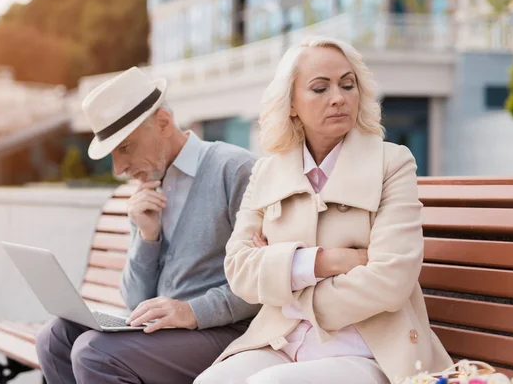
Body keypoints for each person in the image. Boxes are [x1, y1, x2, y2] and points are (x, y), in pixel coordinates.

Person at [195, 36, 452, 384]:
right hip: (282, 341)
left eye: (348, 85)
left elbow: (392, 279)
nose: (339, 98)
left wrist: (286, 284)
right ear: (291, 104)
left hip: (369, 350)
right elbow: (239, 270)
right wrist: (324, 261)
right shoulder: (267, 172)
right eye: (320, 88)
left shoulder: (392, 163)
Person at [35, 66, 262, 384]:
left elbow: (265, 281)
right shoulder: (149, 184)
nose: (119, 168)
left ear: (164, 124)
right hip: (162, 333)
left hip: (225, 332)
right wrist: (147, 236)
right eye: (112, 155)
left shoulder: (235, 169)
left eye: (125, 148)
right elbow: (134, 300)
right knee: (54, 338)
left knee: (94, 354)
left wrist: (191, 311)